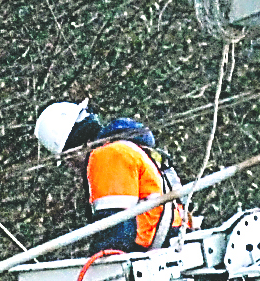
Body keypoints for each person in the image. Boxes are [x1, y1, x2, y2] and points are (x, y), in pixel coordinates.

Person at [33, 100, 189, 253]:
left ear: (78, 146)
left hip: (157, 251)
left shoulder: (108, 156)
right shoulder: (129, 150)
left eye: (70, 159)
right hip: (169, 245)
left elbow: (115, 233)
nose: (72, 166)